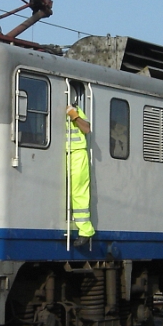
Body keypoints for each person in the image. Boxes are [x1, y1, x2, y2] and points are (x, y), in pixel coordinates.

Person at [66, 101, 95, 245]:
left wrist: (75, 116)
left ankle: (85, 230)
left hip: (77, 154)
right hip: (61, 155)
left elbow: (87, 129)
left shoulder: (74, 110)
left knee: (79, 192)